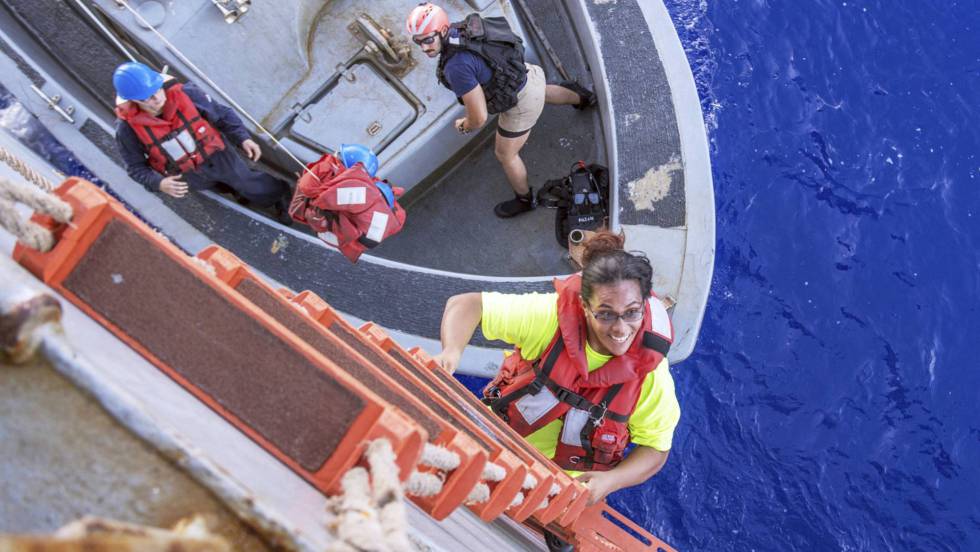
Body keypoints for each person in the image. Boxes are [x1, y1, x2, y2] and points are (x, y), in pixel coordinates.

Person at [433, 231, 679, 549]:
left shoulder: (651, 375)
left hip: (561, 486)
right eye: (605, 313)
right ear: (583, 305)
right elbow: (467, 305)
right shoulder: (549, 319)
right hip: (493, 440)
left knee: (554, 535)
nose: (620, 329)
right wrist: (450, 353)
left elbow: (657, 448)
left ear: (645, 305)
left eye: (631, 313)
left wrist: (610, 481)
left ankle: (555, 528)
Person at [406, 3, 597, 218]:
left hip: (520, 104)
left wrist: (464, 125)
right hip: (527, 74)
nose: (424, 48)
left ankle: (525, 199)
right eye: (418, 41)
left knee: (505, 154)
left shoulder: (456, 68)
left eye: (427, 39)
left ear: (441, 31)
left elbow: (478, 118)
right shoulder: (464, 29)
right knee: (540, 91)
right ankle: (584, 97)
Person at [112, 61, 291, 222]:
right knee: (223, 188)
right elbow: (135, 167)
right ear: (133, 101)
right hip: (187, 174)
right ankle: (239, 194)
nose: (157, 99)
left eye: (157, 89)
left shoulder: (188, 94)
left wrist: (242, 138)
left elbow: (222, 114)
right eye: (147, 98)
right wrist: (159, 183)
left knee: (246, 181)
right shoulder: (127, 130)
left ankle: (280, 194)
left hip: (218, 156)